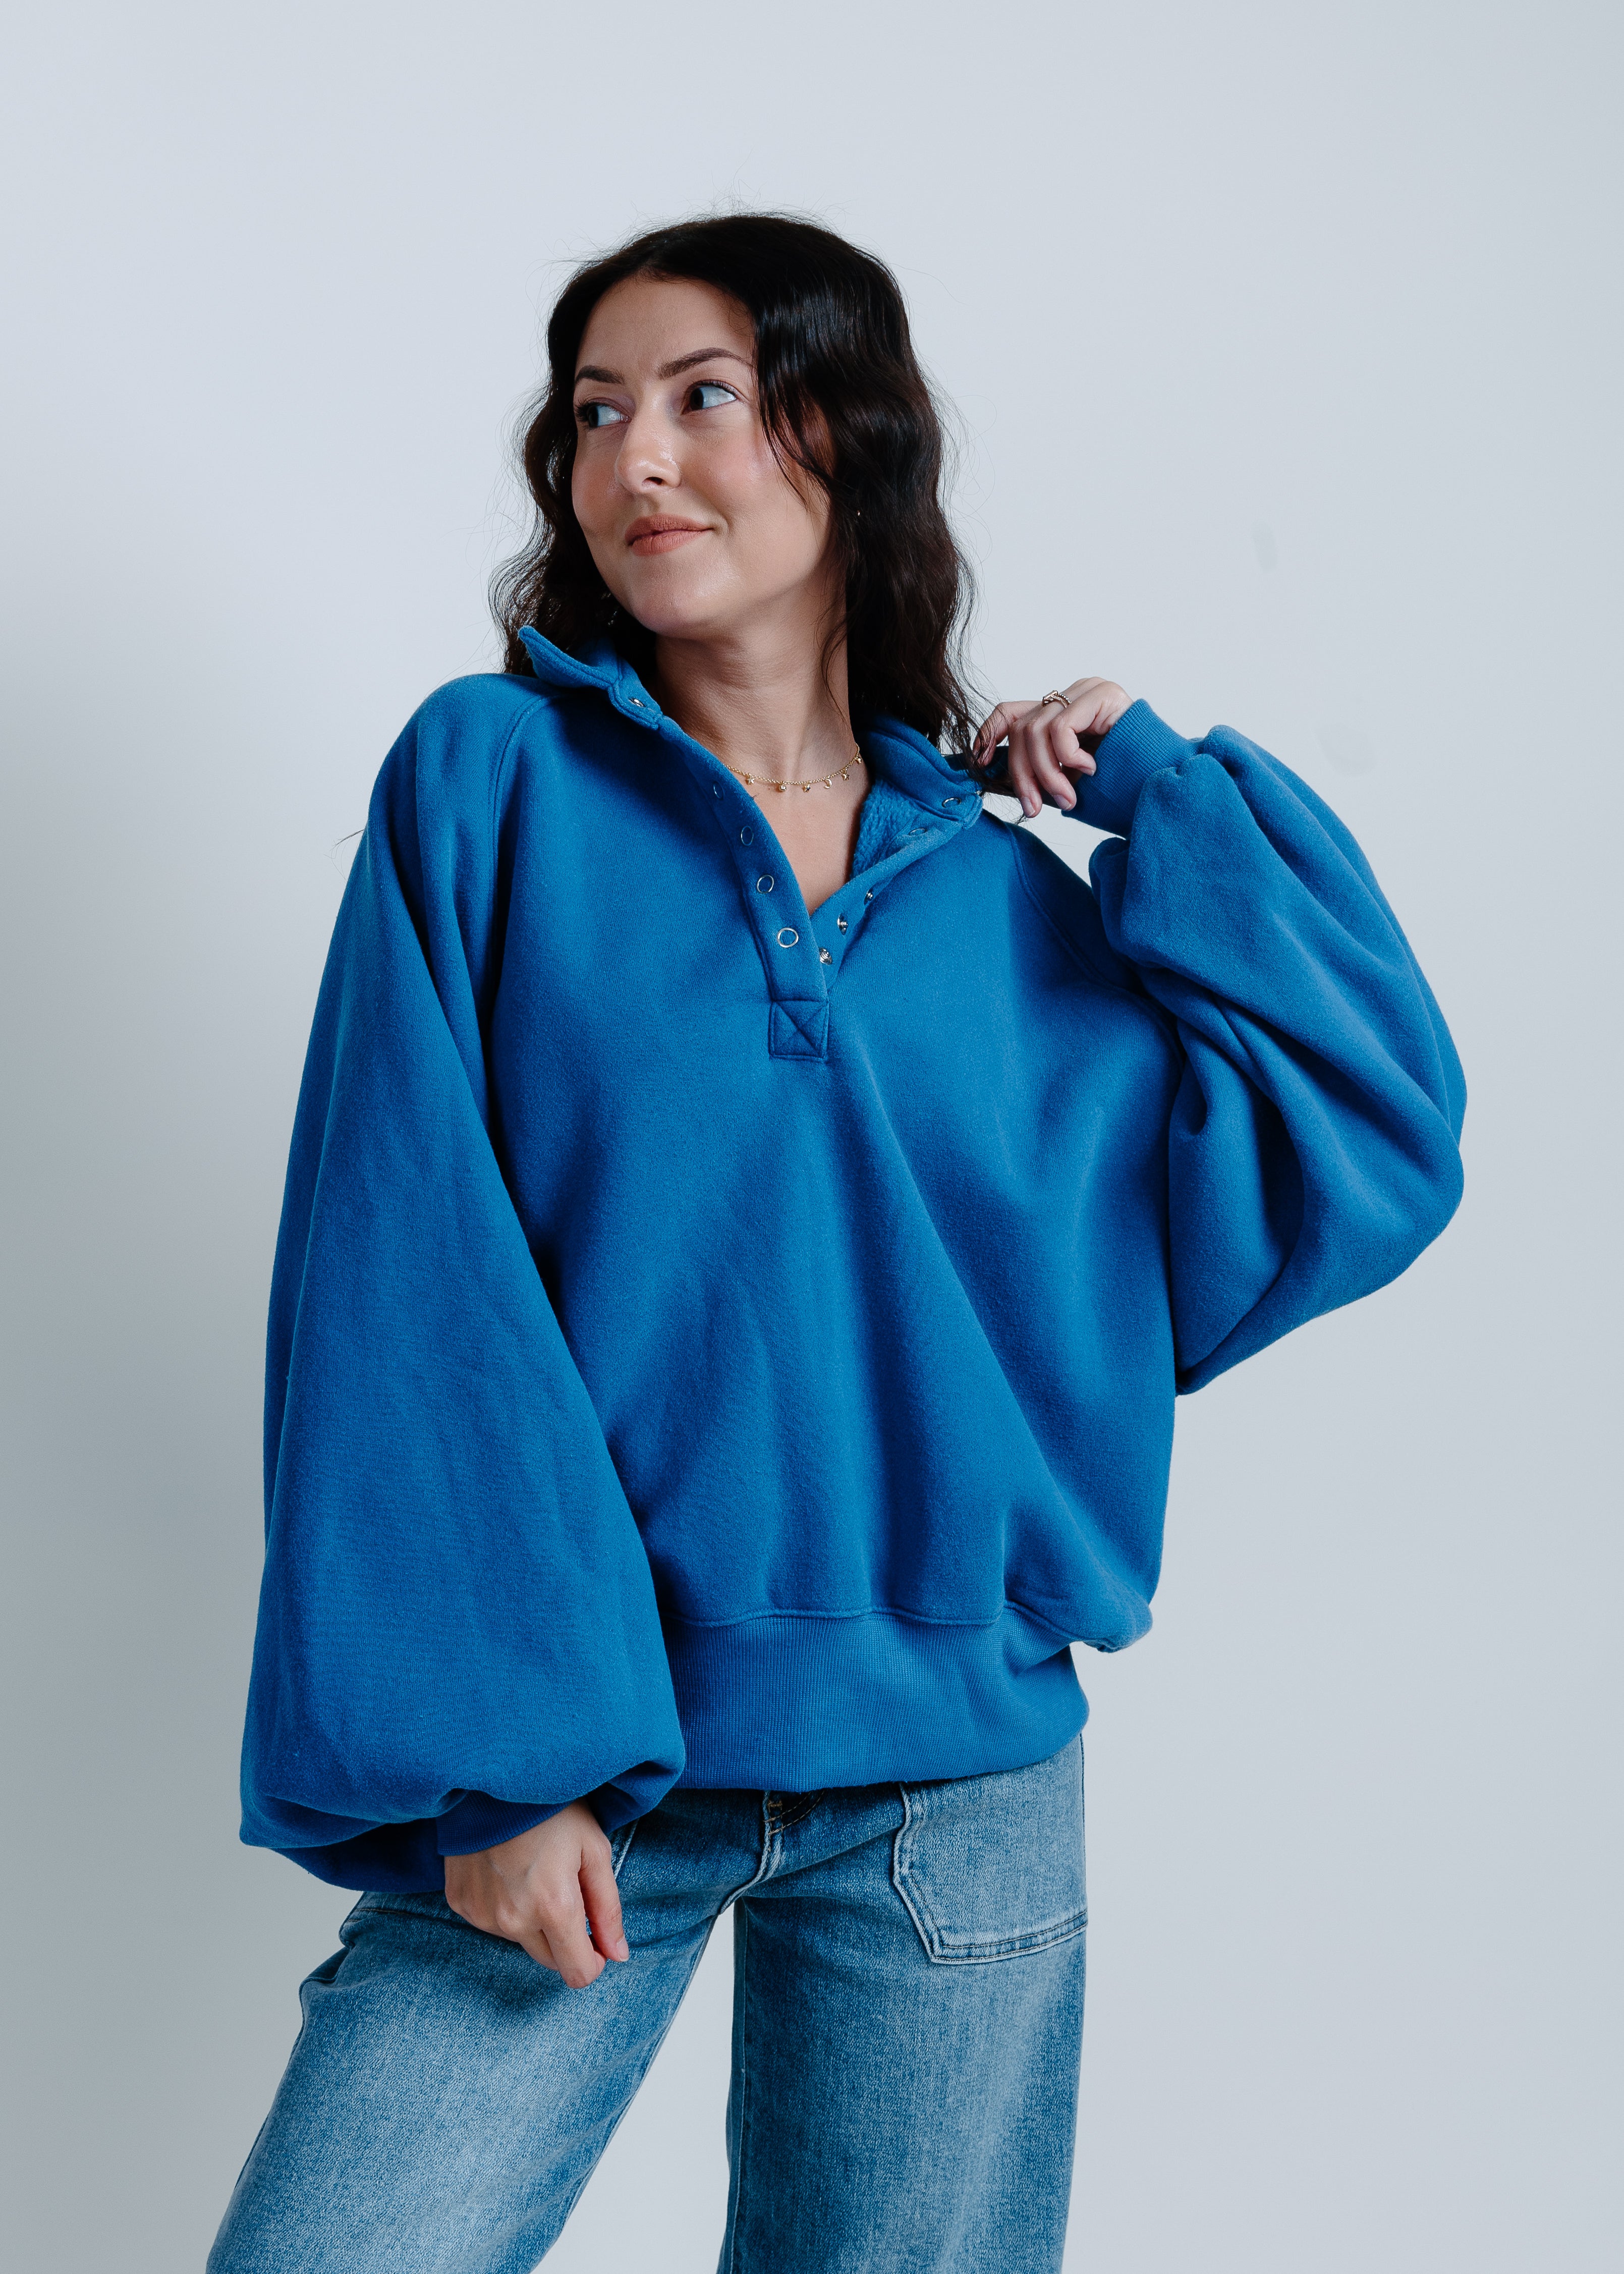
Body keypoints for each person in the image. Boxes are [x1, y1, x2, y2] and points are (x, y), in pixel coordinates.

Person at [208, 213, 1466, 2273]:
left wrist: (1163, 794)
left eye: (702, 397)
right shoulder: (490, 786)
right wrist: (500, 1768)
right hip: (588, 1766)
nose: (634, 459)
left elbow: (1372, 1121)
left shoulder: (1007, 902)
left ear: (844, 436)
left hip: (960, 1795)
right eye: (594, 413)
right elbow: (404, 1280)